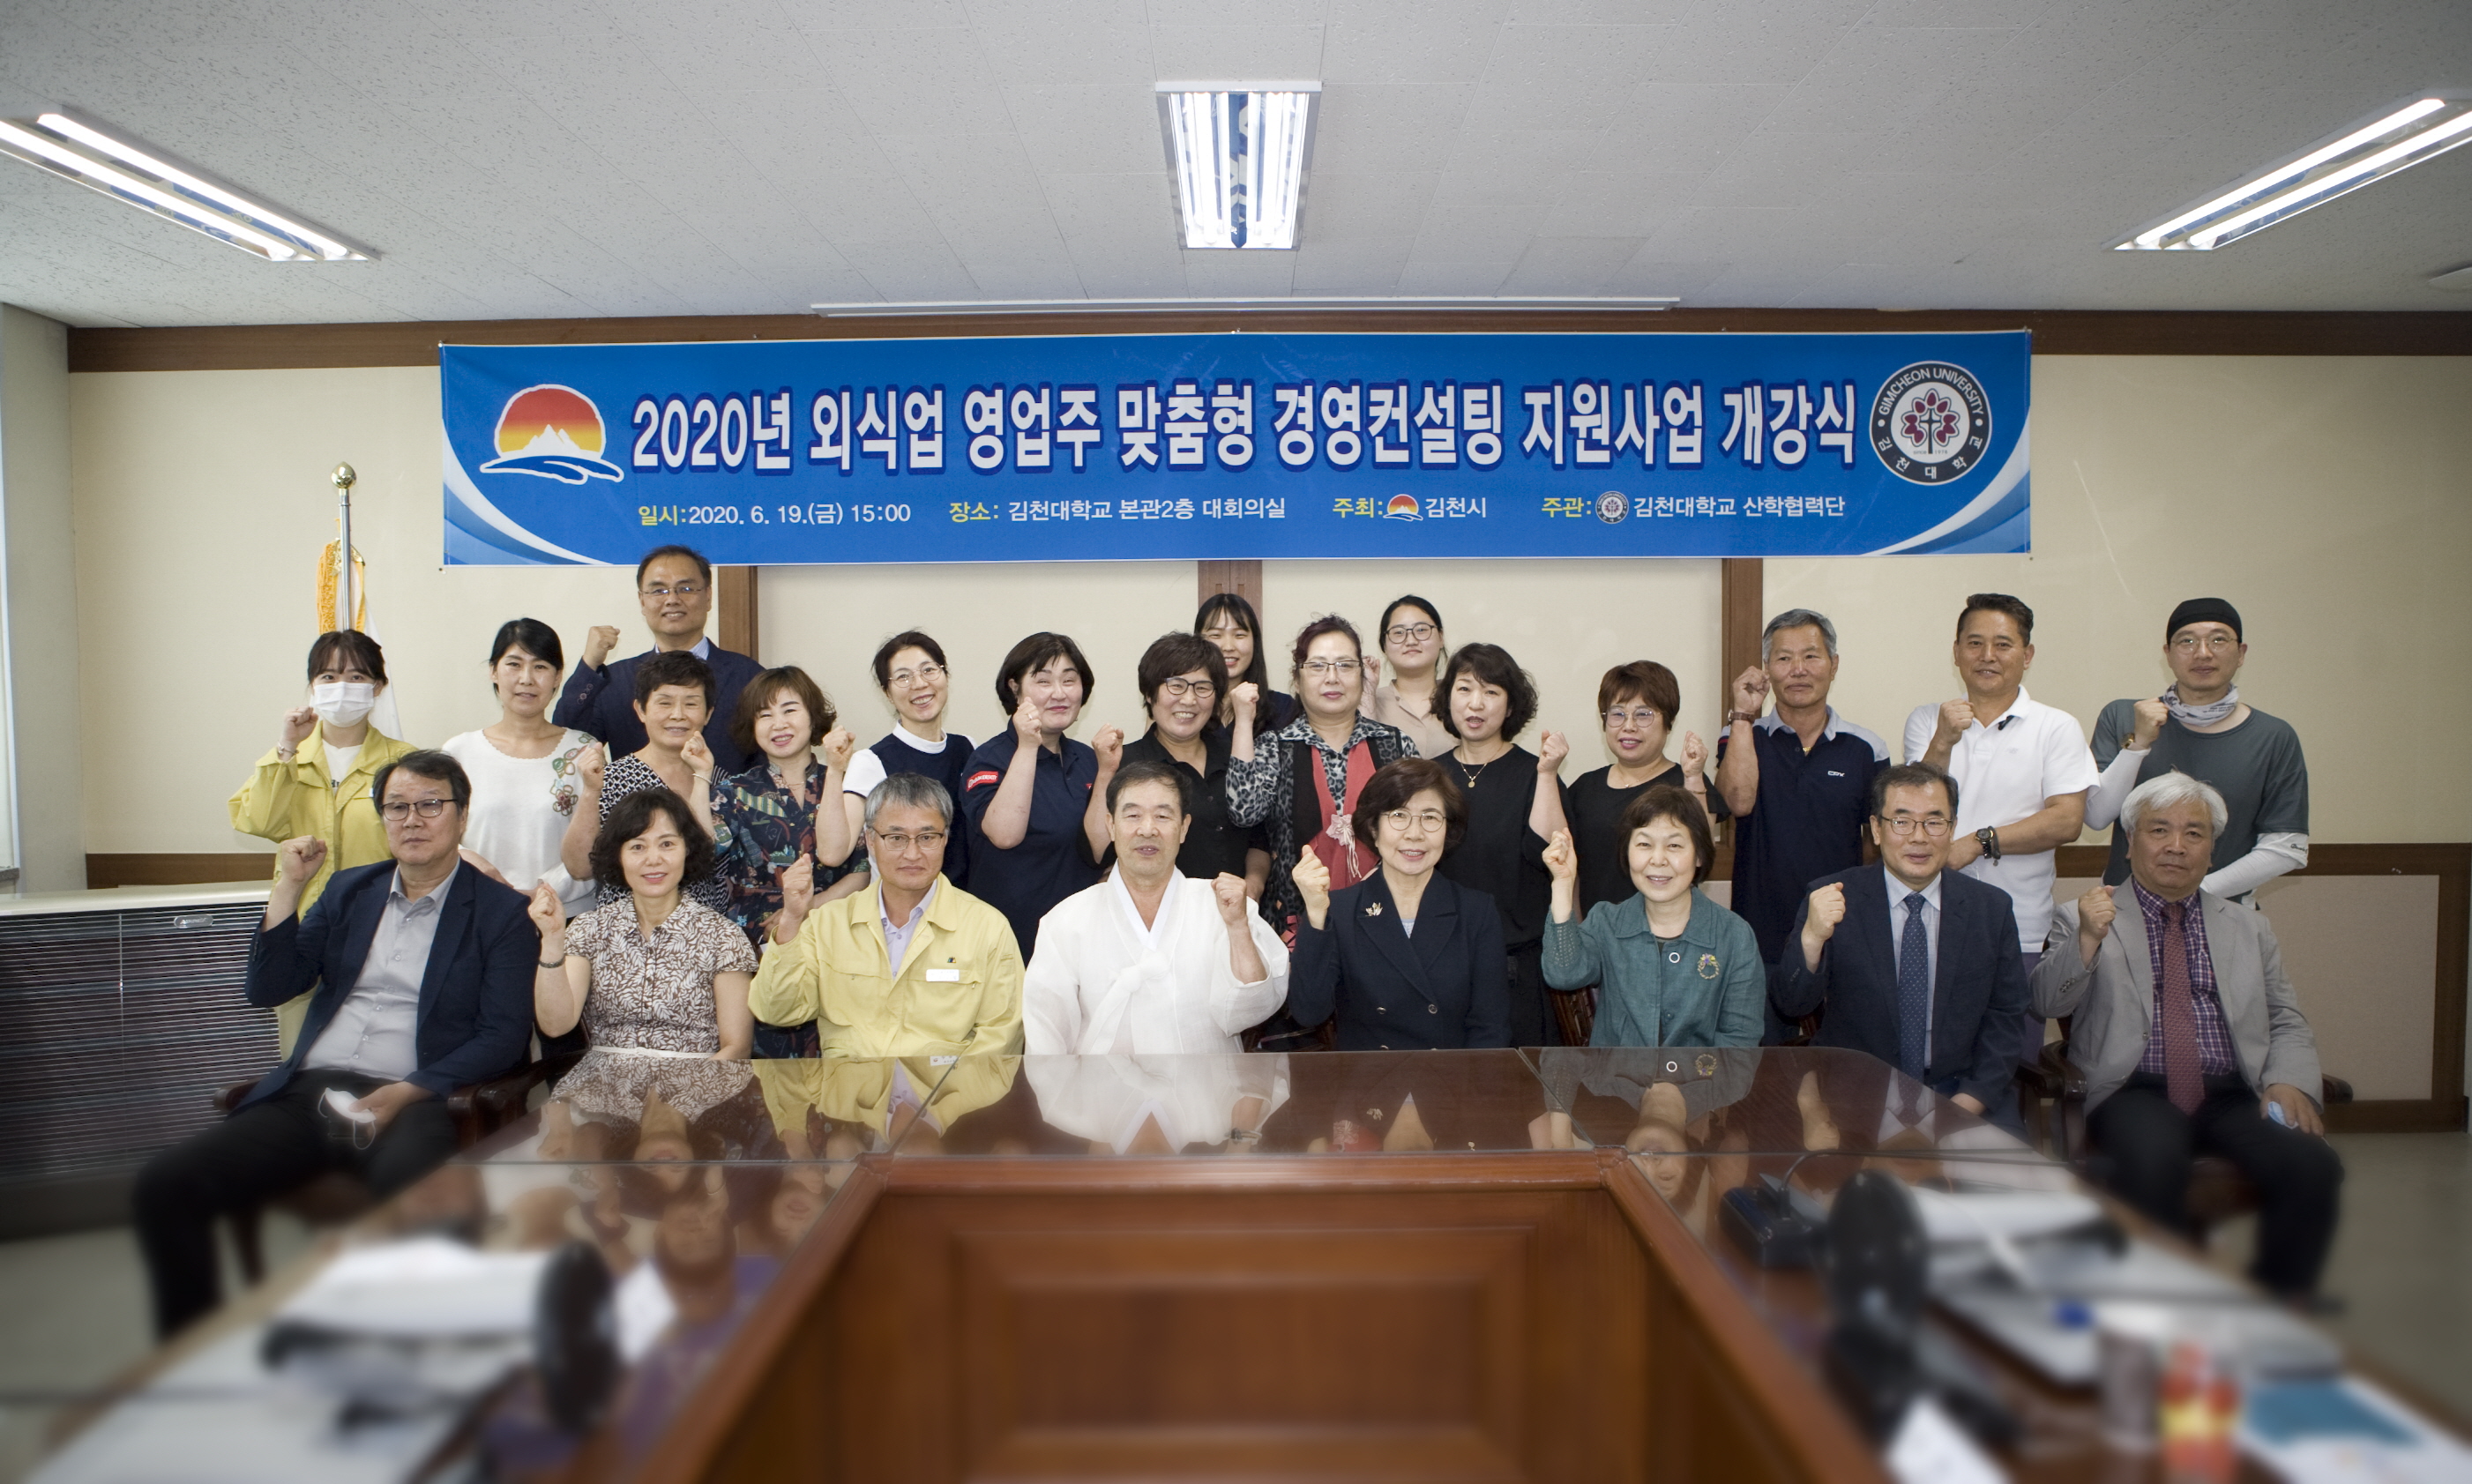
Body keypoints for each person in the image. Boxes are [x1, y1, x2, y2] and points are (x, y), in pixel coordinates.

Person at [138, 751, 534, 1336]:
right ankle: (191, 1350)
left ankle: (414, 1358)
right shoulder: (351, 889)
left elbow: (502, 1035)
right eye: (397, 807)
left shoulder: (502, 912)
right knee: (166, 1184)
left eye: (431, 804)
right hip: (311, 1096)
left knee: (421, 1212)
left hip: (411, 1099)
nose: (413, 819)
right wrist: (289, 887)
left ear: (462, 814)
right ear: (382, 818)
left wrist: (409, 1091)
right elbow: (269, 987)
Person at [2034, 772, 2341, 1297]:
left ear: (2212, 849)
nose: (2176, 845)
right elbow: (2046, 1003)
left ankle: (2280, 1303)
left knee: (2313, 1165)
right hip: (2134, 1091)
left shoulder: (2247, 927)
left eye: (2194, 833)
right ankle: (2169, 1305)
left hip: (2234, 1092)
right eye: (2160, 830)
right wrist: (2086, 939)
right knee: (2153, 1164)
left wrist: (2289, 1080)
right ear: (2131, 843)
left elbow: (2285, 1016)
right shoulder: (2082, 915)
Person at [1774, 764, 2032, 1130]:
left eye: (1934, 822)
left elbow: (2006, 1019)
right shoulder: (1833, 898)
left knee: (2015, 1166)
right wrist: (1812, 938)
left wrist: (1966, 1104)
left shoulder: (1991, 909)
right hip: (1857, 1095)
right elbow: (1791, 1005)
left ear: (1952, 829)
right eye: (1902, 821)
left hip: (1962, 1091)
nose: (1919, 837)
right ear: (1877, 829)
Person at [230, 630, 422, 1048]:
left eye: (357, 677)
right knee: (302, 1063)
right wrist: (286, 746)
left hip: (383, 936)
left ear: (378, 687)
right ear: (313, 687)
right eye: (329, 677)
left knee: (381, 1061)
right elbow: (257, 821)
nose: (342, 688)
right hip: (301, 933)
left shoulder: (403, 762)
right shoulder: (288, 759)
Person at [751, 772, 1024, 1059]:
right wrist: (792, 920)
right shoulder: (828, 923)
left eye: (927, 837)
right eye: (896, 838)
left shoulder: (987, 927)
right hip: (850, 1085)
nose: (912, 854)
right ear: (870, 840)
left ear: (945, 839)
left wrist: (945, 1089)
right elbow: (777, 1012)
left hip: (946, 1085)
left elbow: (1001, 1038)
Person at [1026, 760, 1290, 1055]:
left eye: (1163, 816)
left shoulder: (1223, 906)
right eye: (1133, 815)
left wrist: (1238, 927)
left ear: (1184, 828)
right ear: (1111, 825)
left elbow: (1253, 1009)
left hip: (1207, 1081)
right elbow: (1046, 1036)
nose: (1148, 829)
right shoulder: (1067, 919)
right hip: (1101, 1083)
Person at [1712, 611, 1890, 1040]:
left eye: (1811, 656)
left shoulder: (1866, 747)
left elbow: (1877, 845)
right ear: (1767, 669)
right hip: (1759, 937)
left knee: (1842, 1066)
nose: (1798, 670)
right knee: (1761, 1066)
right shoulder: (1742, 735)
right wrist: (1742, 716)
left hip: (1842, 937)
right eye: (1783, 658)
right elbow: (1736, 802)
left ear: (1834, 664)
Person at [1903, 593, 2095, 972]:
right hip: (1930, 920)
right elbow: (1912, 807)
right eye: (1975, 643)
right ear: (1956, 652)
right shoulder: (1927, 720)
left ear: (2027, 655)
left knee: (2015, 1013)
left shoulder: (2057, 726)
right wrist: (1942, 740)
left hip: (2020, 927)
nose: (1987, 656)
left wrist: (1979, 842)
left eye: (2003, 645)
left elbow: (2067, 821)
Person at [532, 790, 757, 1094]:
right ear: (619, 855)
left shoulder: (723, 936)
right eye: (637, 846)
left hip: (697, 1090)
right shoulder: (589, 929)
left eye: (667, 844)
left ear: (687, 849)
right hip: (603, 1093)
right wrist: (552, 940)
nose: (653, 859)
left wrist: (680, 1101)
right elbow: (555, 1026)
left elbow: (737, 1048)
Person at [2086, 599, 2309, 899]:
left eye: (2218, 640)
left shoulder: (2273, 736)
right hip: (2124, 909)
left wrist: (2192, 894)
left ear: (2241, 653)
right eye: (2187, 641)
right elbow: (2096, 817)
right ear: (2168, 654)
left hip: (2224, 912)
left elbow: (2286, 847)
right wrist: (2137, 745)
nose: (2203, 653)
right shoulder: (2123, 716)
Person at [1288, 757, 1511, 1050]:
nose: (1414, 834)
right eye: (1398, 815)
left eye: (1430, 817)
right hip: (1370, 1076)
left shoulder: (1476, 912)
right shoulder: (1339, 910)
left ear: (1448, 829)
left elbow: (1491, 1030)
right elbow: (1308, 1012)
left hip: (1449, 1076)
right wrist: (1316, 913)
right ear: (1374, 828)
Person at [1227, 615, 1419, 948]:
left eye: (1345, 665)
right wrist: (1243, 721)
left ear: (1362, 675)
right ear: (1297, 679)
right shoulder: (1275, 747)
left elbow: (1419, 829)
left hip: (1386, 917)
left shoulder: (1395, 746)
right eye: (1317, 666)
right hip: (1296, 922)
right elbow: (1243, 812)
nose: (1332, 677)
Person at [1541, 785, 1764, 1048]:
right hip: (1616, 1075)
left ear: (1699, 855)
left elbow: (1740, 1041)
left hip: (1703, 1075)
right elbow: (1564, 975)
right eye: (1644, 844)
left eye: (1674, 845)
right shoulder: (1606, 922)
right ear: (1628, 852)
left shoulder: (1734, 935)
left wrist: (1689, 1075)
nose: (1658, 860)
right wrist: (1563, 883)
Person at [1433, 642, 1572, 1047]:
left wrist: (1547, 774)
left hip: (1518, 969)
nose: (1475, 704)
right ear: (1448, 697)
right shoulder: (1430, 777)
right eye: (1464, 689)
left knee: (1519, 1083)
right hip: (1442, 963)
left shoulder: (1534, 773)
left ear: (1511, 707)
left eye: (1491, 692)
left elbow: (1550, 855)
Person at [1081, 632, 1268, 894]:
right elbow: (1097, 854)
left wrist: (1254, 885)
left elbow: (1259, 838)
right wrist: (1106, 772)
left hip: (1233, 909)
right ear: (1149, 694)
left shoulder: (1237, 755)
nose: (1189, 700)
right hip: (1157, 912)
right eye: (1176, 685)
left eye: (1202, 687)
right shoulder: (1126, 763)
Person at [553, 544, 764, 772]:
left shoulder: (748, 677)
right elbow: (565, 741)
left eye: (685, 588)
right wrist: (589, 665)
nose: (672, 599)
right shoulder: (615, 681)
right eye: (658, 591)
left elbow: (767, 762)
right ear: (642, 601)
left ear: (708, 596)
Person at [959, 632, 1104, 959]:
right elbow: (1005, 835)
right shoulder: (988, 760)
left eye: (1069, 680)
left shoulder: (1088, 759)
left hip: (1080, 940)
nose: (1059, 693)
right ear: (1015, 688)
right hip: (1010, 943)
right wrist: (1027, 745)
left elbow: (1102, 851)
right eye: (1043, 681)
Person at [443, 618, 599, 921]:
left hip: (566, 916)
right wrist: (482, 872)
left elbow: (597, 843)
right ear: (493, 671)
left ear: (557, 677)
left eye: (540, 667)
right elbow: (440, 836)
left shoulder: (583, 750)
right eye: (514, 664)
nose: (526, 679)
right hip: (479, 914)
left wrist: (544, 890)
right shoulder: (458, 752)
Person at [561, 650, 730, 917]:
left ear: (708, 713)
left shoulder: (722, 782)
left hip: (704, 931)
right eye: (664, 703)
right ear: (641, 710)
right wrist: (592, 791)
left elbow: (714, 863)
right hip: (625, 930)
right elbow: (579, 868)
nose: (678, 714)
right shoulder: (610, 779)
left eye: (691, 703)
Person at [711, 666, 868, 948]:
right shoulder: (733, 791)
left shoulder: (847, 783)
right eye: (765, 715)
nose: (778, 724)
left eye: (789, 710)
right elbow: (701, 852)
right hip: (756, 933)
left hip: (833, 928)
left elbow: (862, 870)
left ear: (812, 716)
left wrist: (807, 909)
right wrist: (700, 777)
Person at [1568, 660, 1709, 918]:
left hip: (1668, 931)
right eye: (1617, 714)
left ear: (1669, 721)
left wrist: (1693, 777)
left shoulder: (1686, 781)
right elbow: (1571, 872)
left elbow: (1701, 851)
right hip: (1597, 930)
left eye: (1643, 714)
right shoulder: (1584, 787)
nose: (1629, 726)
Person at [840, 630, 975, 886]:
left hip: (964, 902)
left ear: (945, 675)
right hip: (901, 902)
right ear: (887, 693)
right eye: (903, 676)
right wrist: (835, 770)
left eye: (929, 670)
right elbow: (835, 852)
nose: (919, 684)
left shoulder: (969, 747)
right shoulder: (871, 761)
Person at [1359, 594, 1456, 758]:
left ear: (1441, 637)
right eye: (1399, 632)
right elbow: (1360, 759)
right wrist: (1366, 692)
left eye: (1421, 630)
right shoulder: (1368, 703)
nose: (1411, 641)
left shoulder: (1462, 698)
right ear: (1384, 645)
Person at [1197, 591, 1300, 734]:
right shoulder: (1189, 705)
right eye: (1216, 635)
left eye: (1239, 635)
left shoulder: (1283, 707)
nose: (1228, 647)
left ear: (1254, 642)